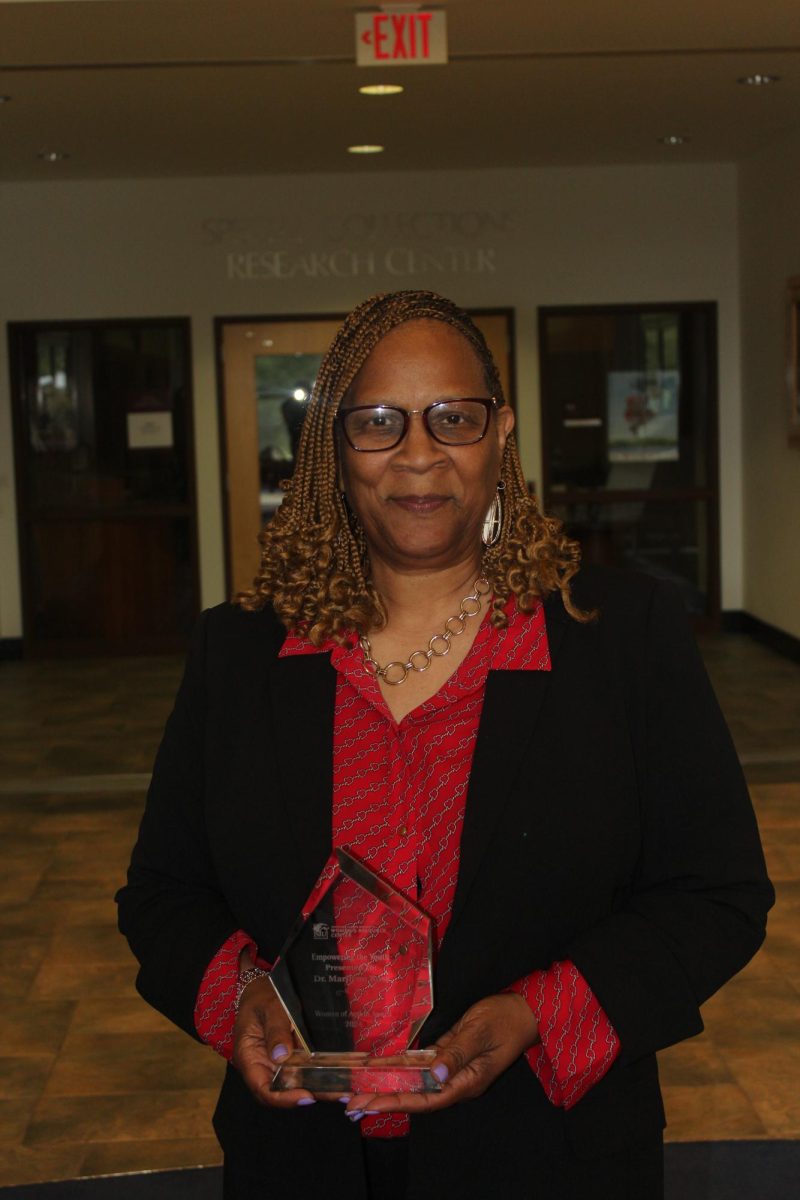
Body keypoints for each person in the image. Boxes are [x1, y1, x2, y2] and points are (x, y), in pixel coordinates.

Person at [116, 290, 773, 1200]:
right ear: (334, 450)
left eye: (451, 418)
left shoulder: (623, 638)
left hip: (553, 1157)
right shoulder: (238, 653)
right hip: (302, 1164)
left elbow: (717, 893)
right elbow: (162, 893)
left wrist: (536, 1015)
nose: (418, 455)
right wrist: (239, 999)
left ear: (499, 433)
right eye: (378, 423)